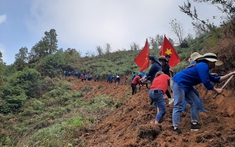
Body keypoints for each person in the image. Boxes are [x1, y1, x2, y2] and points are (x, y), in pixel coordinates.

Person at [171, 52, 235, 135]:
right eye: (214, 63)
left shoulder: (205, 68)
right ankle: (175, 127)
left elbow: (217, 79)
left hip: (187, 85)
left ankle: (194, 124)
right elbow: (206, 82)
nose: (215, 65)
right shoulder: (203, 65)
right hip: (178, 82)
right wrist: (216, 90)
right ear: (210, 61)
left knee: (195, 102)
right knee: (179, 104)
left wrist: (230, 74)